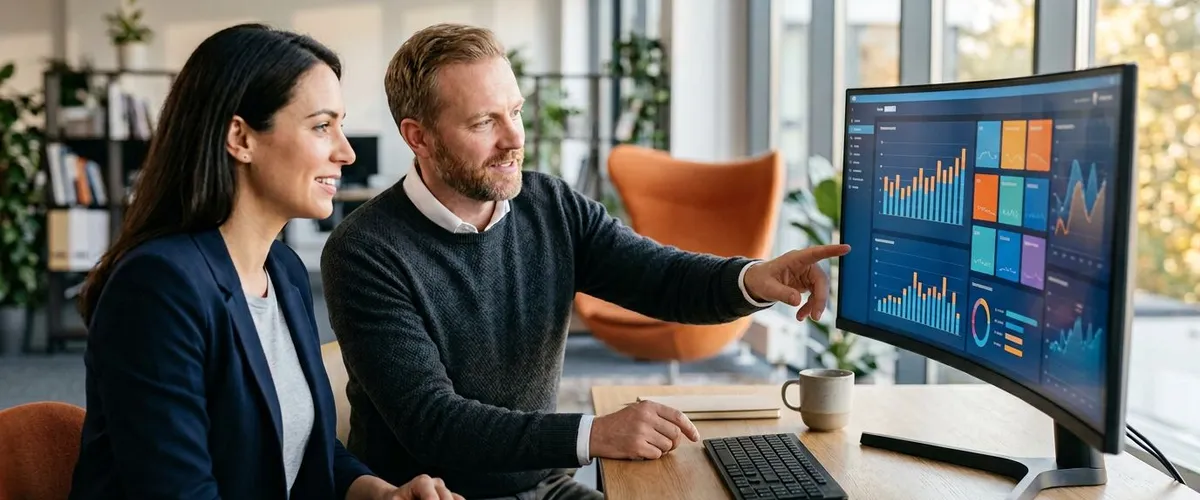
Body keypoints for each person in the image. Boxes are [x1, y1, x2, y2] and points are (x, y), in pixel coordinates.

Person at [319, 23, 850, 500]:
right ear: (419, 137)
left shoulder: (551, 206)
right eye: (485, 122)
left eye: (516, 111)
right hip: (432, 493)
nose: (515, 139)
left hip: (542, 479)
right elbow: (434, 421)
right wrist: (594, 433)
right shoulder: (364, 251)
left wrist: (754, 278)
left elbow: (661, 277)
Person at [68, 23, 462, 500]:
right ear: (241, 137)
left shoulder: (284, 270)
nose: (346, 151)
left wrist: (382, 494)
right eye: (321, 126)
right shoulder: (158, 287)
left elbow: (304, 450)